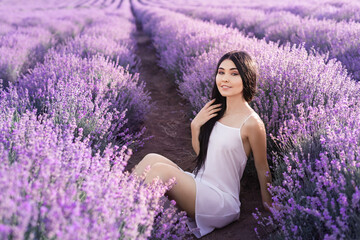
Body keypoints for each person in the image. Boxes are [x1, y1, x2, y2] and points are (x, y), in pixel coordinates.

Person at [131, 50, 273, 238]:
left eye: (234, 73)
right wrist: (195, 126)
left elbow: (262, 166)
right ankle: (119, 208)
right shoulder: (216, 111)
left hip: (221, 201)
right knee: (151, 159)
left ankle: (131, 227)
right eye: (221, 72)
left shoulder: (252, 123)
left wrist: (268, 203)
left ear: (247, 78)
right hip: (201, 183)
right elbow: (205, 157)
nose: (225, 79)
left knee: (159, 172)